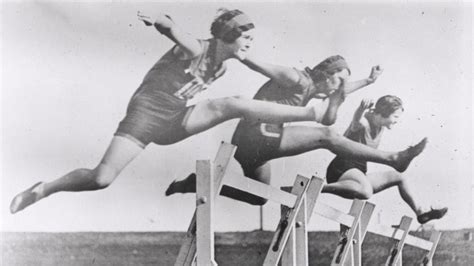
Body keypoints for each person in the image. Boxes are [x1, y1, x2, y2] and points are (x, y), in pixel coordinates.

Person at [10, 9, 330, 214]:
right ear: (228, 37)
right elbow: (177, 31)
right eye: (245, 38)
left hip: (177, 119)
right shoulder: (197, 49)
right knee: (101, 178)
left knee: (231, 104)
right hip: (145, 118)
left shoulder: (220, 67)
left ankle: (310, 116)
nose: (249, 44)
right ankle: (43, 189)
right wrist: (161, 23)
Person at [165, 56, 428, 218]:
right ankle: (393, 158)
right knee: (327, 136)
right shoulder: (296, 78)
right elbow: (265, 68)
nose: (339, 88)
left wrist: (368, 81)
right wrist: (239, 54)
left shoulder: (317, 88)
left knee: (260, 197)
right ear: (326, 74)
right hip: (257, 134)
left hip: (254, 145)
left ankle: (198, 182)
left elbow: (342, 89)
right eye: (338, 80)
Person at [323, 96, 447, 224]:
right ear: (383, 113)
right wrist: (360, 109)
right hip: (341, 169)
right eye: (395, 117)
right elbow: (356, 121)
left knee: (399, 177)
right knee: (366, 191)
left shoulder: (380, 127)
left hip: (358, 171)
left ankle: (421, 212)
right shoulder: (364, 123)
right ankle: (320, 187)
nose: (397, 121)